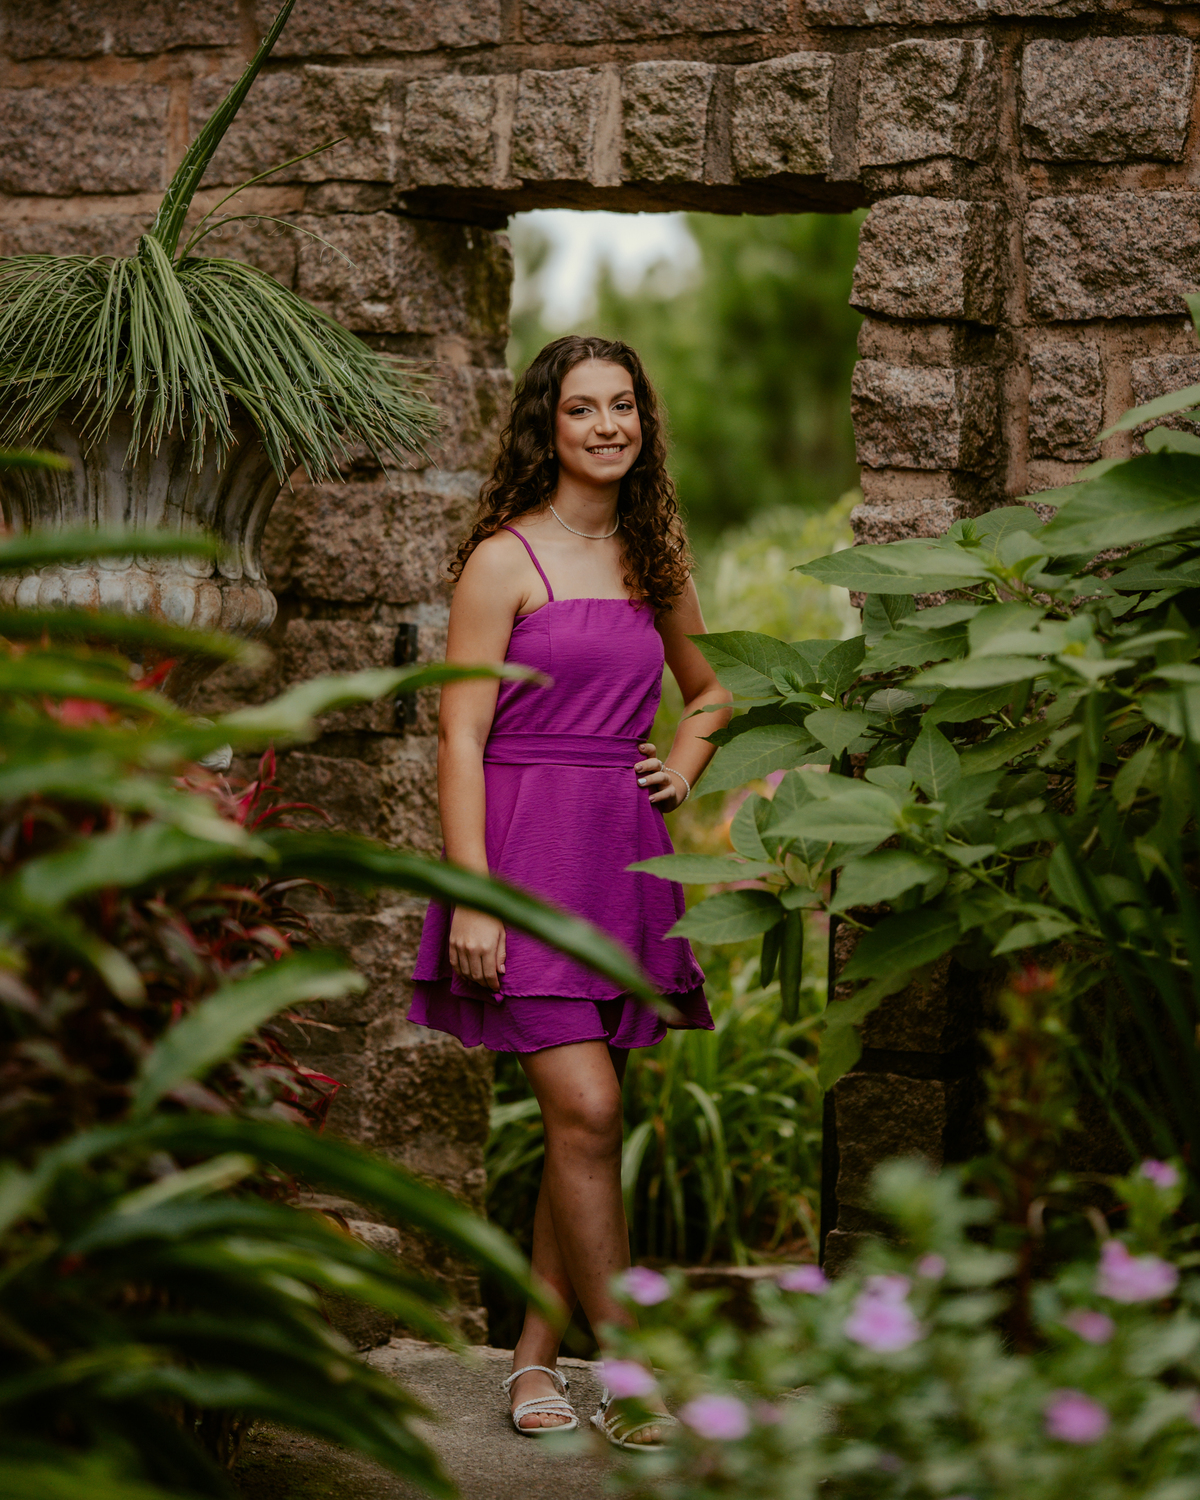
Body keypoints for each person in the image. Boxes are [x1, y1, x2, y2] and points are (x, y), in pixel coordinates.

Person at [410, 334, 730, 1447]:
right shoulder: (504, 562)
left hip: (621, 860)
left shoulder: (656, 558)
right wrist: (475, 900)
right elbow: (458, 737)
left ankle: (531, 1364)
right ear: (545, 426)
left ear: (644, 420)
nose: (607, 426)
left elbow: (711, 691)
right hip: (524, 859)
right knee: (588, 1109)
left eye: (624, 406)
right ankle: (633, 1376)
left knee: (577, 1123)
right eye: (583, 408)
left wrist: (680, 769)